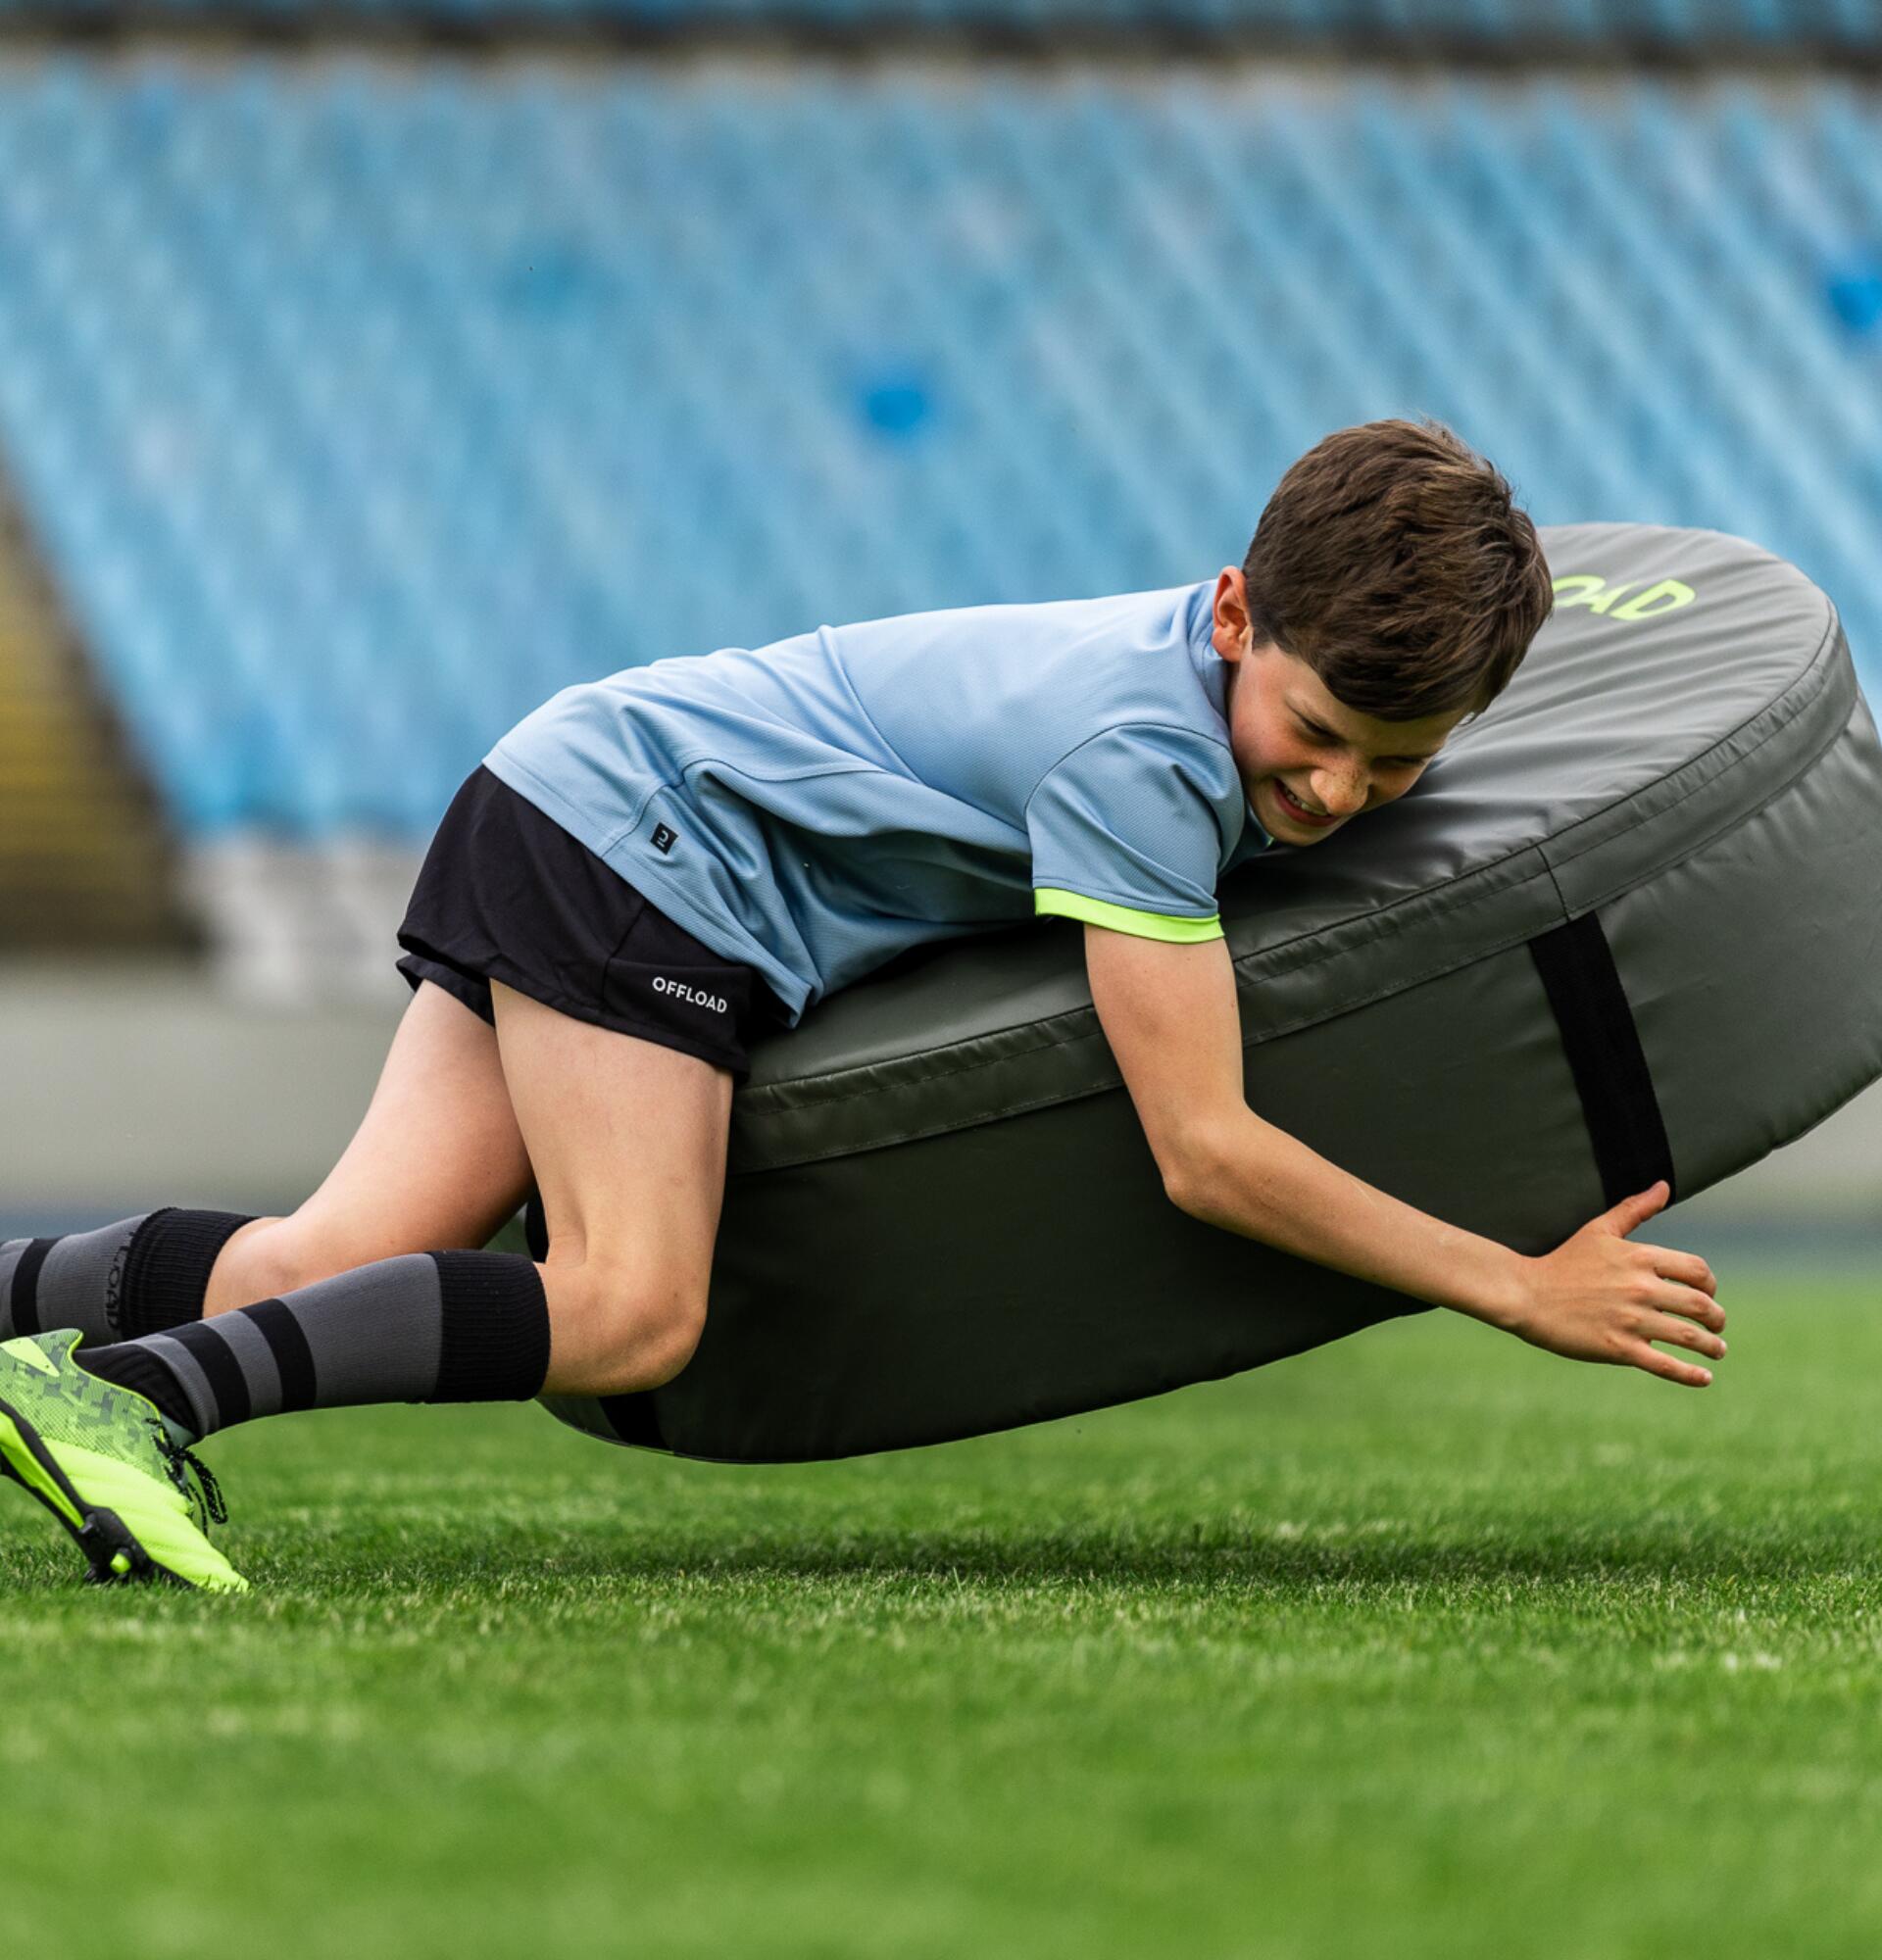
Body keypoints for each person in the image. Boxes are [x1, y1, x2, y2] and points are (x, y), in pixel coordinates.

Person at [0, 416, 1723, 1594]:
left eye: (1396, 765)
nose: (1341, 792)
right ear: (1231, 615)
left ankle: (40, 1345)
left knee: (325, 1262)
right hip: (646, 854)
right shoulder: (1145, 759)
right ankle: (143, 1400)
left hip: (576, 782)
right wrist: (1516, 1283)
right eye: (1320, 733)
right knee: (628, 1307)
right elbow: (1205, 1151)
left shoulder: (1214, 681)